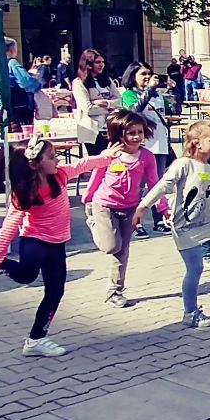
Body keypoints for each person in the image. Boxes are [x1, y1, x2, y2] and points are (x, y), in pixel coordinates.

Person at [0, 139, 118, 356]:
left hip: (57, 243)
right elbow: (10, 226)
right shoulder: (24, 192)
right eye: (52, 157)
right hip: (35, 240)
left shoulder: (60, 175)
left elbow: (82, 164)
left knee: (55, 291)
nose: (57, 161)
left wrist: (107, 157)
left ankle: (36, 340)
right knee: (27, 275)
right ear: (34, 164)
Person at [139, 119, 210, 329]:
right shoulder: (183, 164)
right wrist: (143, 206)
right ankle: (190, 313)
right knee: (195, 269)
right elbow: (163, 186)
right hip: (186, 226)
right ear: (197, 143)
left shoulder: (209, 167)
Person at [84, 110, 165, 309]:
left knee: (122, 252)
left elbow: (155, 184)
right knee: (111, 246)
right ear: (120, 134)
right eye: (131, 133)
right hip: (104, 206)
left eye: (140, 132)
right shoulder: (110, 155)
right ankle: (93, 222)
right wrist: (88, 199)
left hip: (129, 209)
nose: (136, 137)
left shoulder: (146, 157)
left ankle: (115, 291)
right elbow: (96, 177)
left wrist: (162, 207)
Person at [120, 65, 175, 236]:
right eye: (143, 74)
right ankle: (135, 222)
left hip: (160, 145)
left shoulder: (157, 95)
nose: (147, 77)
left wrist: (171, 91)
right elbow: (133, 111)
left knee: (157, 185)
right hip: (142, 146)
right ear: (132, 76)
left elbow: (173, 108)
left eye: (150, 74)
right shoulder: (129, 94)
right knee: (137, 186)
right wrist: (149, 90)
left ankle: (159, 220)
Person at [71, 49, 119, 156]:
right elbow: (88, 109)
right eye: (97, 62)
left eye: (103, 62)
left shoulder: (108, 80)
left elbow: (119, 101)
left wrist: (106, 103)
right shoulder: (79, 83)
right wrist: (109, 108)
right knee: (98, 160)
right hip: (92, 130)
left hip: (110, 128)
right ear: (88, 64)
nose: (101, 65)